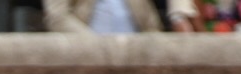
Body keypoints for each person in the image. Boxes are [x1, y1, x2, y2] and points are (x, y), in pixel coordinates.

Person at [43, 0, 201, 30]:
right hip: (85, 59)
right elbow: (57, 17)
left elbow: (151, 26)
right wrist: (95, 45)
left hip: (134, 62)